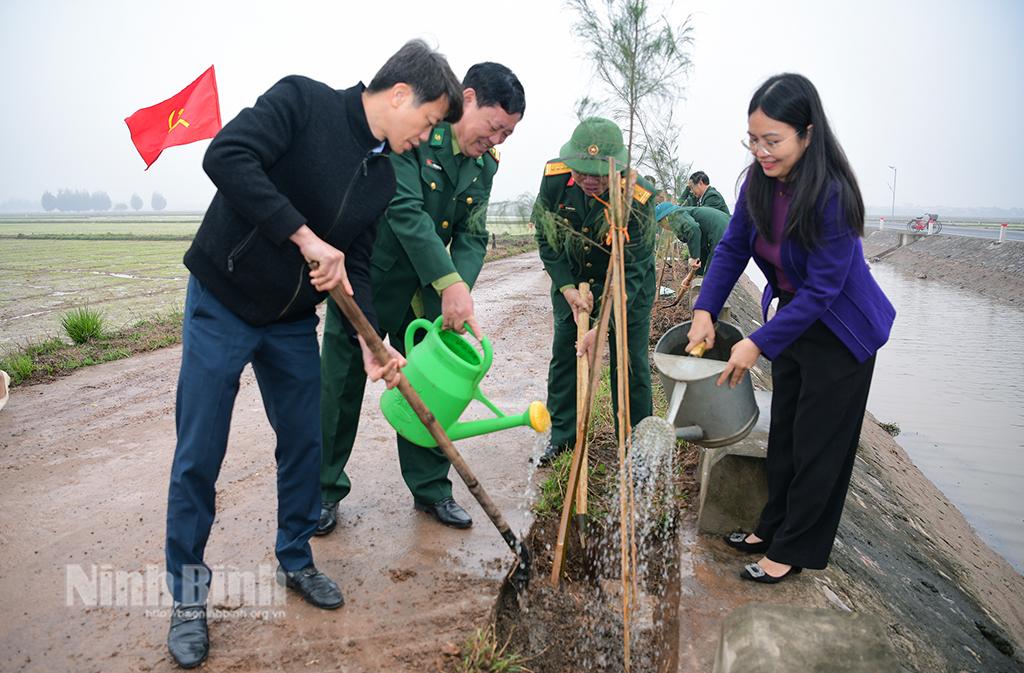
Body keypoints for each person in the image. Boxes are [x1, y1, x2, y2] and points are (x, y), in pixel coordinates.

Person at [164, 40, 463, 669]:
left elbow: (355, 261)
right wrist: (302, 236)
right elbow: (227, 156)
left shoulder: (382, 177)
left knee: (305, 441)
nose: (427, 135)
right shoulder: (303, 102)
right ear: (402, 94)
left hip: (290, 321)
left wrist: (371, 341)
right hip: (223, 296)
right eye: (430, 120)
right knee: (200, 449)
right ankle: (188, 597)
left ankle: (295, 558)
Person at [685, 73, 895, 583]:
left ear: (806, 133)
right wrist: (704, 308)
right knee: (786, 433)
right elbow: (734, 246)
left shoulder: (833, 195)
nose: (761, 151)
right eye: (753, 139)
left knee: (819, 445)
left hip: (842, 331)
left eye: (772, 141)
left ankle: (793, 551)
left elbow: (825, 290)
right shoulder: (758, 181)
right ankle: (771, 525)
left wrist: (755, 342)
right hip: (796, 322)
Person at [317, 62, 525, 533]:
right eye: (494, 127)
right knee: (341, 387)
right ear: (467, 99)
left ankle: (431, 489)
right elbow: (405, 210)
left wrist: (457, 288)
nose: (496, 141)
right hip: (371, 282)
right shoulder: (416, 136)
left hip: (430, 297)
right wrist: (448, 280)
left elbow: (473, 234)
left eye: (507, 135)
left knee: (433, 392)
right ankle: (323, 491)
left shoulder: (482, 165)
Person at [532, 117, 657, 465]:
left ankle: (634, 449)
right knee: (565, 356)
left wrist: (603, 327)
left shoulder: (639, 198)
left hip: (626, 287)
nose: (589, 181)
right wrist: (568, 288)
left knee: (629, 362)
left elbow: (632, 269)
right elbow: (546, 236)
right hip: (573, 282)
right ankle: (563, 438)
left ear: (617, 167)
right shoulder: (555, 177)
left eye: (598, 175)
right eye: (583, 172)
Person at [655, 203, 729, 276]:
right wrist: (696, 273)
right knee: (719, 272)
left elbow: (693, 229)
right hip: (729, 229)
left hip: (721, 232)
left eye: (661, 224)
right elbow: (702, 248)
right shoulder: (686, 214)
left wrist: (694, 257)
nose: (663, 227)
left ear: (665, 218)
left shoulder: (674, 215)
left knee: (712, 275)